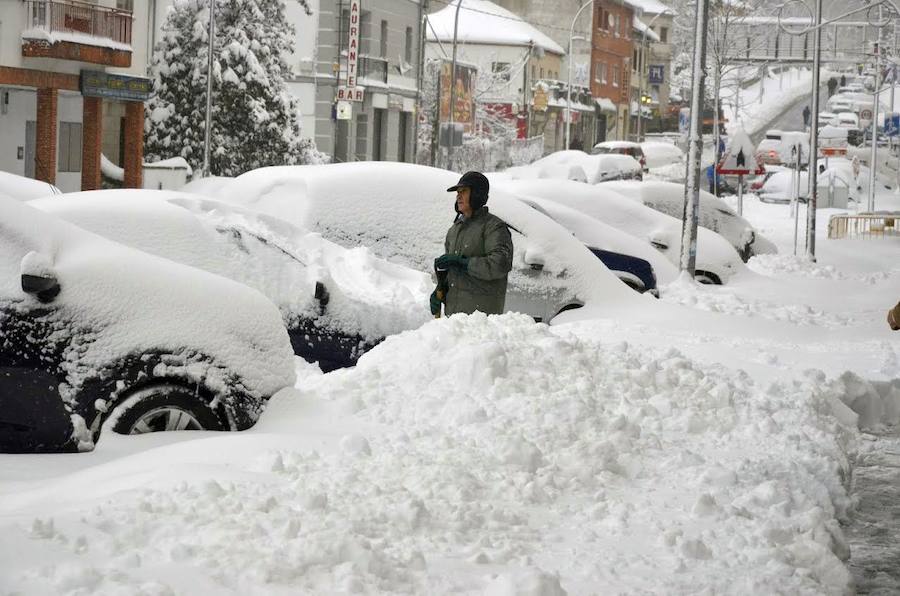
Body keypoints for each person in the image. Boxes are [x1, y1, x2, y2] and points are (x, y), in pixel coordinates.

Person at [430, 171, 513, 317]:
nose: (458, 196)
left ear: (477, 195)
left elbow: (500, 264)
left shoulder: (493, 227)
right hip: (455, 320)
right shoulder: (454, 230)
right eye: (458, 192)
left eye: (464, 191)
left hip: (480, 322)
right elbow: (454, 275)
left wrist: (464, 263)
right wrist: (440, 290)